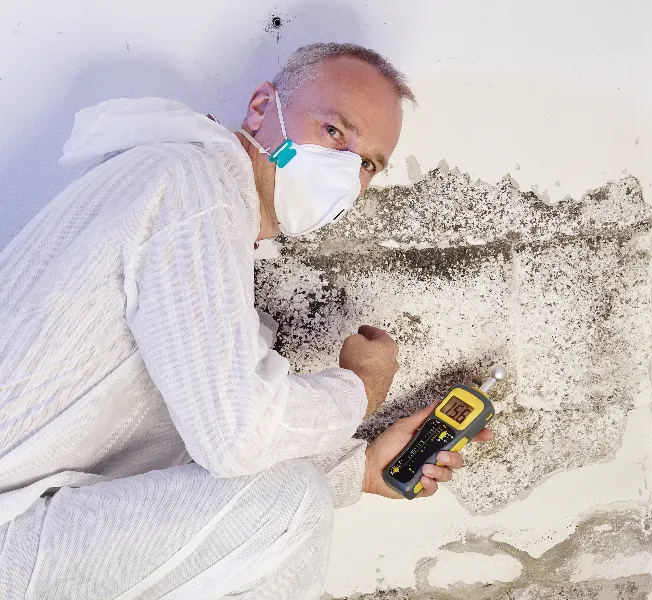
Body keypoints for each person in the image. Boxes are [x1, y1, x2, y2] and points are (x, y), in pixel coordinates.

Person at [0, 43, 493, 599]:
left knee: (288, 497)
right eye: (334, 132)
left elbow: (193, 436)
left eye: (368, 164)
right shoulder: (194, 188)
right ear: (262, 108)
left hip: (28, 527)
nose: (347, 172)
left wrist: (357, 470)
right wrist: (360, 389)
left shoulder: (204, 217)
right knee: (289, 507)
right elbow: (235, 436)